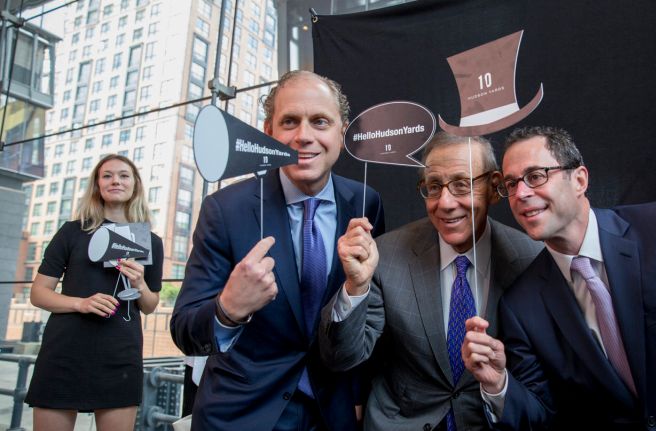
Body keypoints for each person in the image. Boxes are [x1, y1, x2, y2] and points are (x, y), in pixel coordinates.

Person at [462, 126, 656, 430]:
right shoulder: (520, 306)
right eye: (511, 184)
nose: (521, 193)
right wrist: (499, 383)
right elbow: (542, 414)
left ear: (579, 179)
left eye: (536, 176)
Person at [170, 70, 385, 430]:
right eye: (290, 122)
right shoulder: (225, 209)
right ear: (268, 131)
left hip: (332, 414)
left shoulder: (366, 202)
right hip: (242, 414)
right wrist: (228, 310)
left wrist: (359, 395)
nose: (304, 136)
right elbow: (183, 330)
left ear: (341, 131)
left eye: (320, 121)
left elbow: (369, 313)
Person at [318, 132, 541, 430]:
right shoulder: (387, 253)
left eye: (462, 184)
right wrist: (355, 286)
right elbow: (342, 358)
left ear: (494, 186)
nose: (445, 203)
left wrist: (498, 385)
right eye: (434, 187)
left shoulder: (531, 260)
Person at [25, 154, 163, 431]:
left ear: (135, 184)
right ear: (97, 185)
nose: (116, 181)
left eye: (124, 175)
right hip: (64, 352)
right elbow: (39, 294)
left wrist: (140, 285)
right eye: (107, 175)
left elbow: (149, 305)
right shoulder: (71, 232)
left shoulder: (150, 241)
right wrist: (81, 303)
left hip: (119, 355)